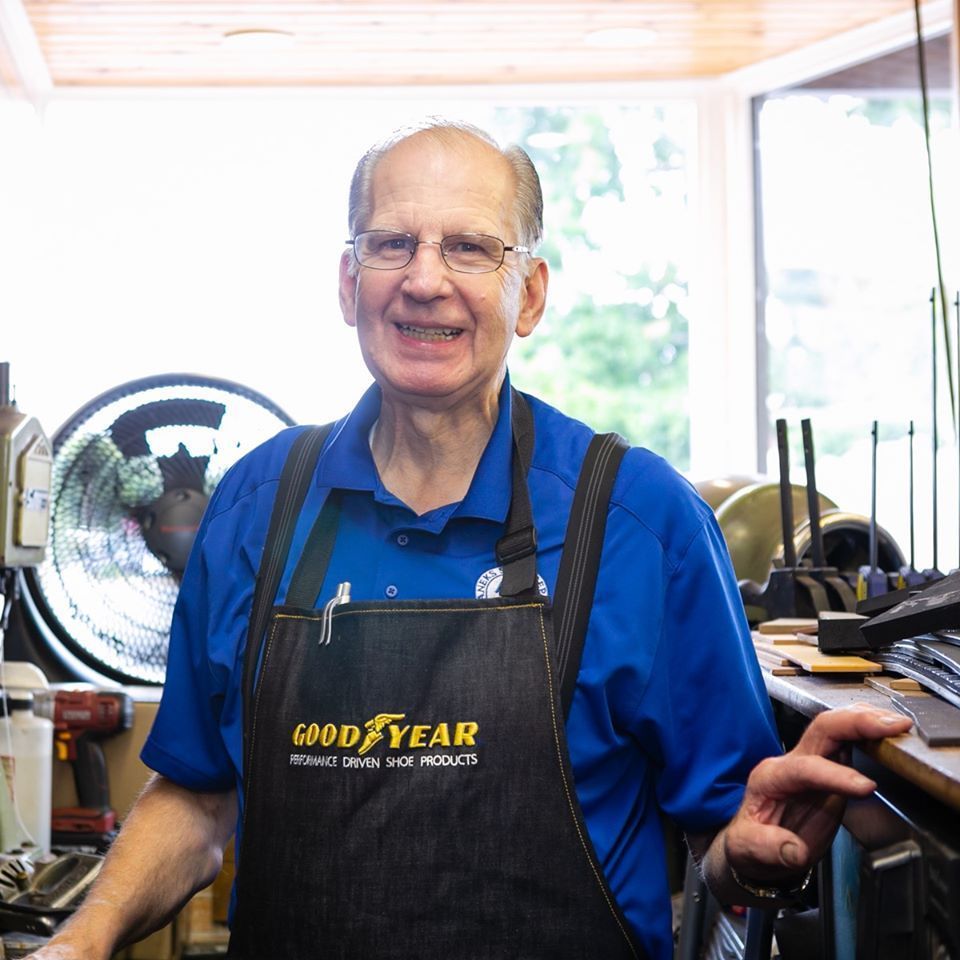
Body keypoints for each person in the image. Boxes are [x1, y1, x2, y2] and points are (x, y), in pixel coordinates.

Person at [28, 119, 912, 960]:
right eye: (390, 244)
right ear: (348, 283)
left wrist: (749, 859)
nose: (424, 278)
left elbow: (725, 834)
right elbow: (195, 792)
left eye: (469, 246)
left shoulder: (640, 521)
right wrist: (89, 934)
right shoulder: (256, 505)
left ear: (528, 293)